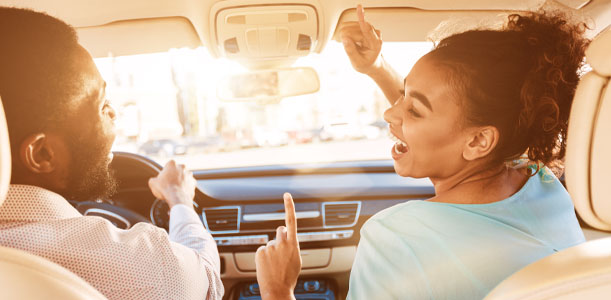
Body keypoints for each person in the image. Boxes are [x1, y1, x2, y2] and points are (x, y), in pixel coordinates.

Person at [255, 4, 589, 299]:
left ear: (478, 142)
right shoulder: (543, 185)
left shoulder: (395, 239)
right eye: (405, 99)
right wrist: (377, 68)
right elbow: (454, 118)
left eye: (414, 110)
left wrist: (277, 290)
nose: (389, 115)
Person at [0, 7, 223, 300]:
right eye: (101, 104)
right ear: (42, 154)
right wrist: (179, 199)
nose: (114, 112)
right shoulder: (142, 267)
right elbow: (205, 277)